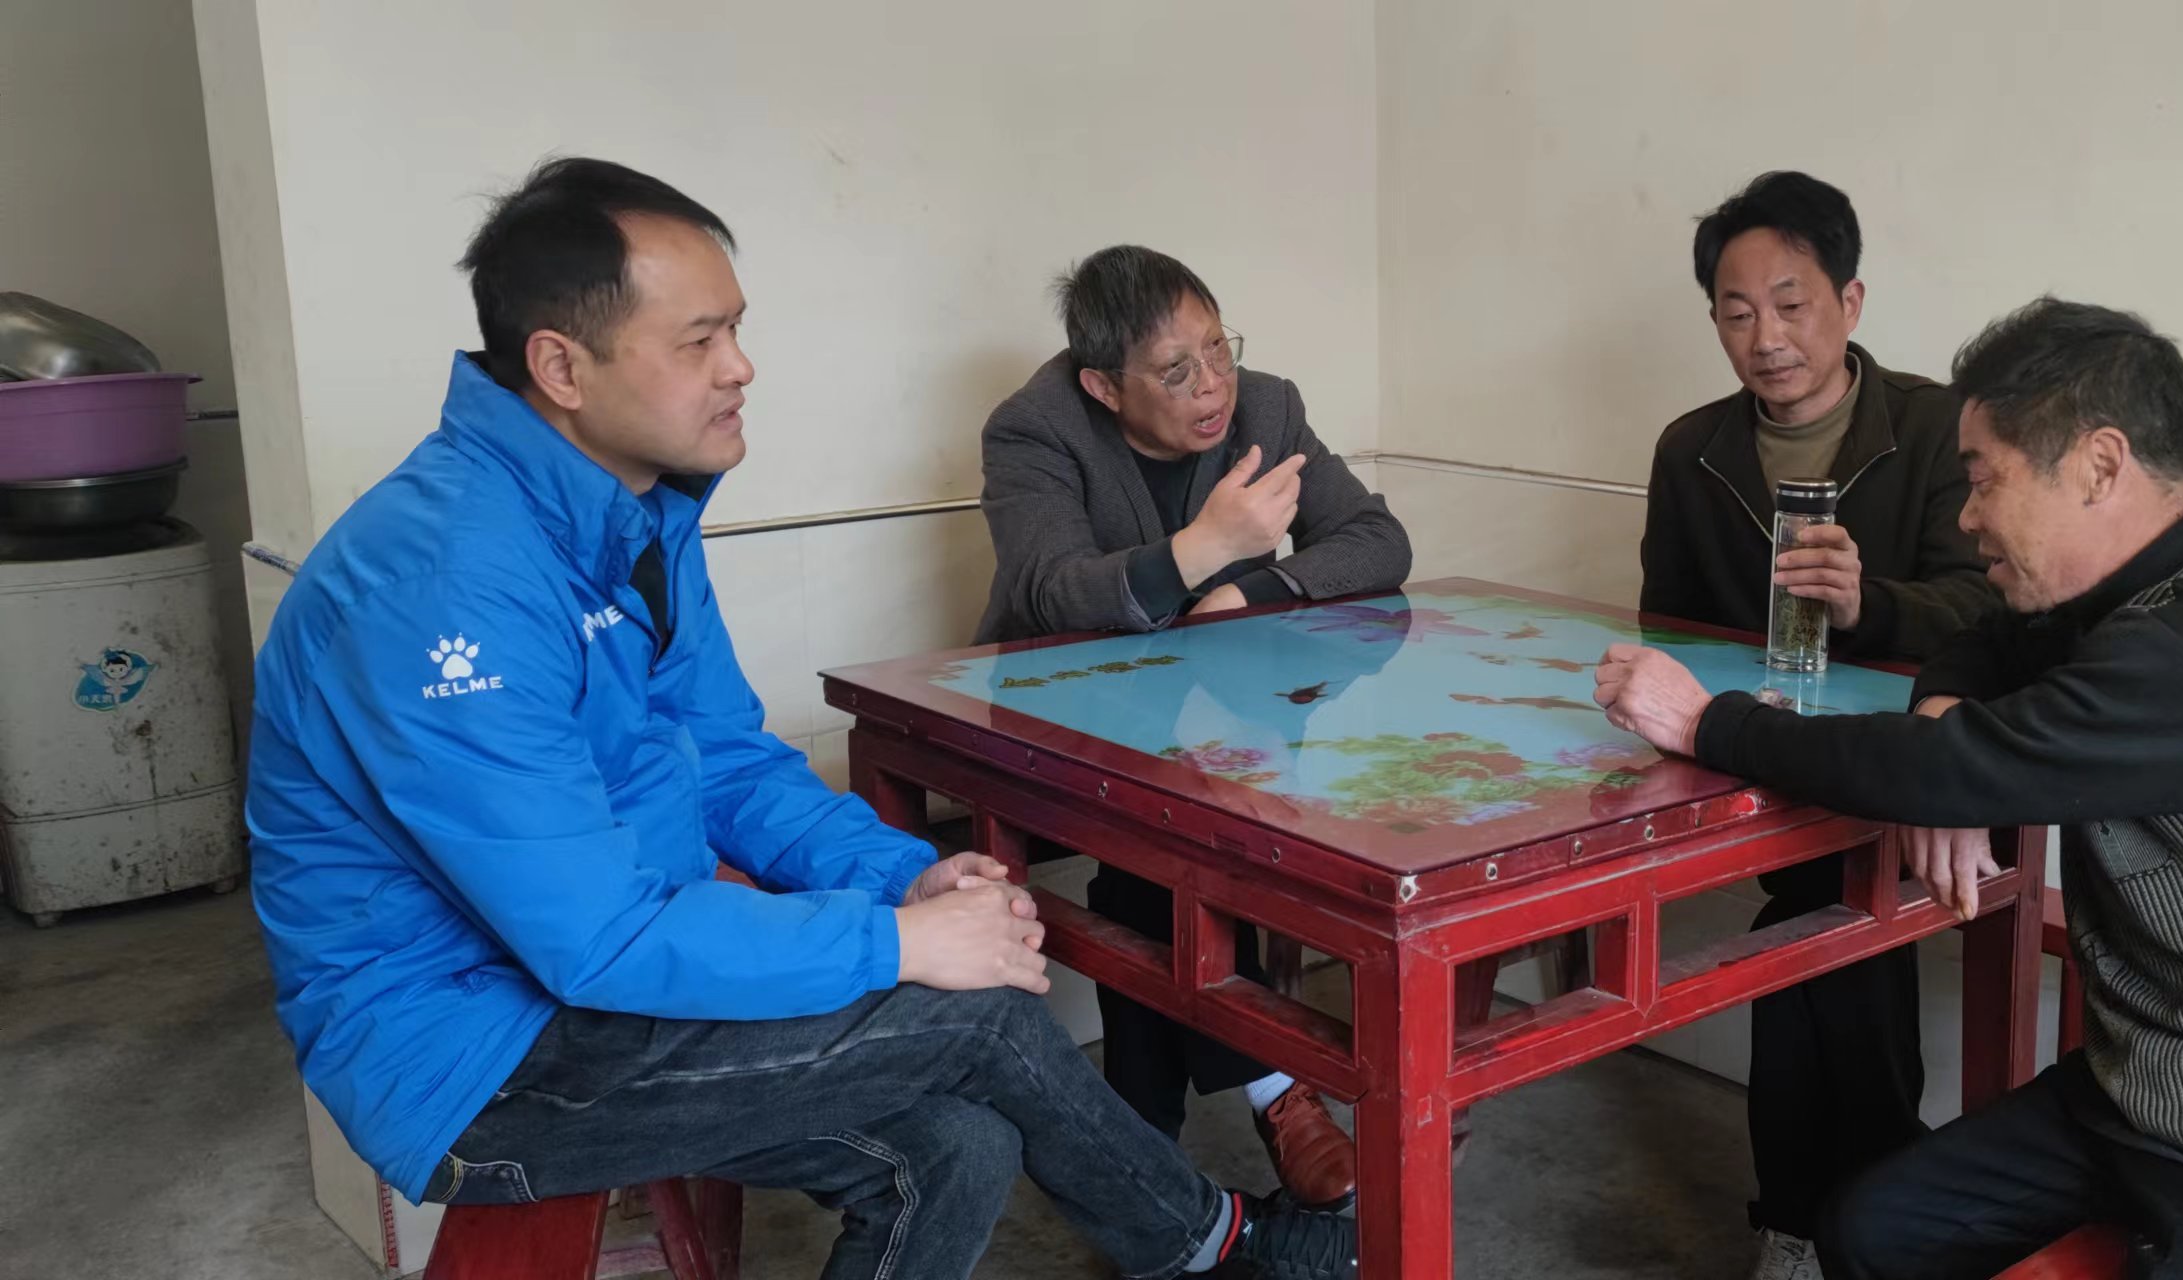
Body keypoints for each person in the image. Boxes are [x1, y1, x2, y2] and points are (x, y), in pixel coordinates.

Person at [246, 159, 1355, 1280]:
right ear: (560, 366)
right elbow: (596, 939)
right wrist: (900, 942)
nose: (741, 366)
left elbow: (726, 762)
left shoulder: (630, 515)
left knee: (959, 1142)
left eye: (736, 329)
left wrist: (904, 876)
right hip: (477, 1054)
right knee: (978, 1016)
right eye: (699, 340)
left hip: (595, 982)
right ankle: (1221, 1247)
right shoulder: (447, 584)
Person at [1594, 297, 2183, 1279]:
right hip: (2163, 1086)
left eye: (1981, 478)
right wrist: (1944, 718)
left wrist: (1708, 723)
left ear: (2099, 465)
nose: (1967, 516)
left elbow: (1956, 768)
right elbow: (1985, 639)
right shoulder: (2153, 582)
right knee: (1874, 1228)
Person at [975, 245, 1412, 1210]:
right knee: (1166, 835)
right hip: (1063, 716)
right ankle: (1276, 1086)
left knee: (1169, 844)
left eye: (1219, 348)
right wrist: (1203, 549)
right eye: (1176, 371)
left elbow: (1379, 540)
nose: (1213, 385)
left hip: (1226, 720)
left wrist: (1254, 587)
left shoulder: (1268, 407)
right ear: (1102, 385)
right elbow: (1049, 591)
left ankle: (1139, 1150)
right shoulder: (1035, 429)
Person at [1638, 170, 1999, 1280]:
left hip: (1921, 760)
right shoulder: (1692, 447)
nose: (1767, 338)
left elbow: (1992, 607)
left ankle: (1811, 1223)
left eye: (1791, 305)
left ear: (1850, 301)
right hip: (1765, 762)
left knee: (1819, 917)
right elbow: (1668, 621)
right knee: (1821, 912)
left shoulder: (1936, 427)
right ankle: (1867, 1221)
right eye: (1737, 312)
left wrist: (1867, 606)